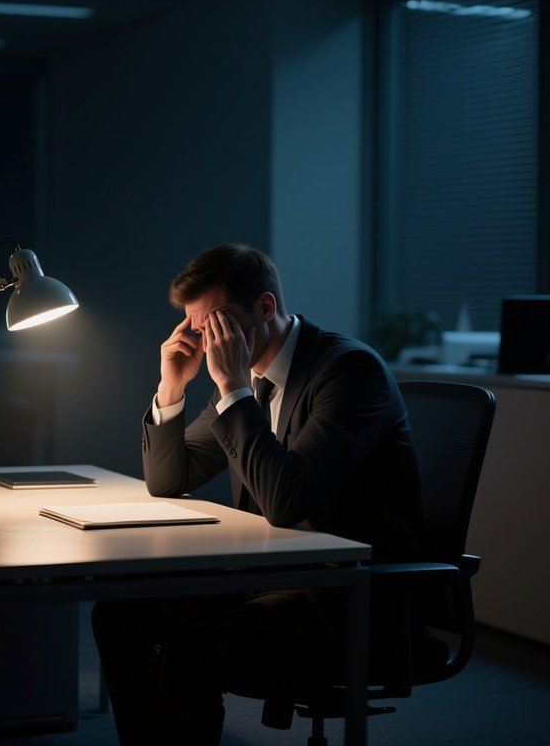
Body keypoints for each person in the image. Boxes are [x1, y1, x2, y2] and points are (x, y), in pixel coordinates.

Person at [92, 243, 422, 745]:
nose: (208, 342)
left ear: (264, 307)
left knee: (192, 643)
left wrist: (231, 387)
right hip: (268, 574)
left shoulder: (349, 371)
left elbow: (285, 502)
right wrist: (171, 388)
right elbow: (170, 479)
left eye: (217, 325)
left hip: (340, 594)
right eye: (197, 329)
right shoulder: (248, 380)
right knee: (119, 612)